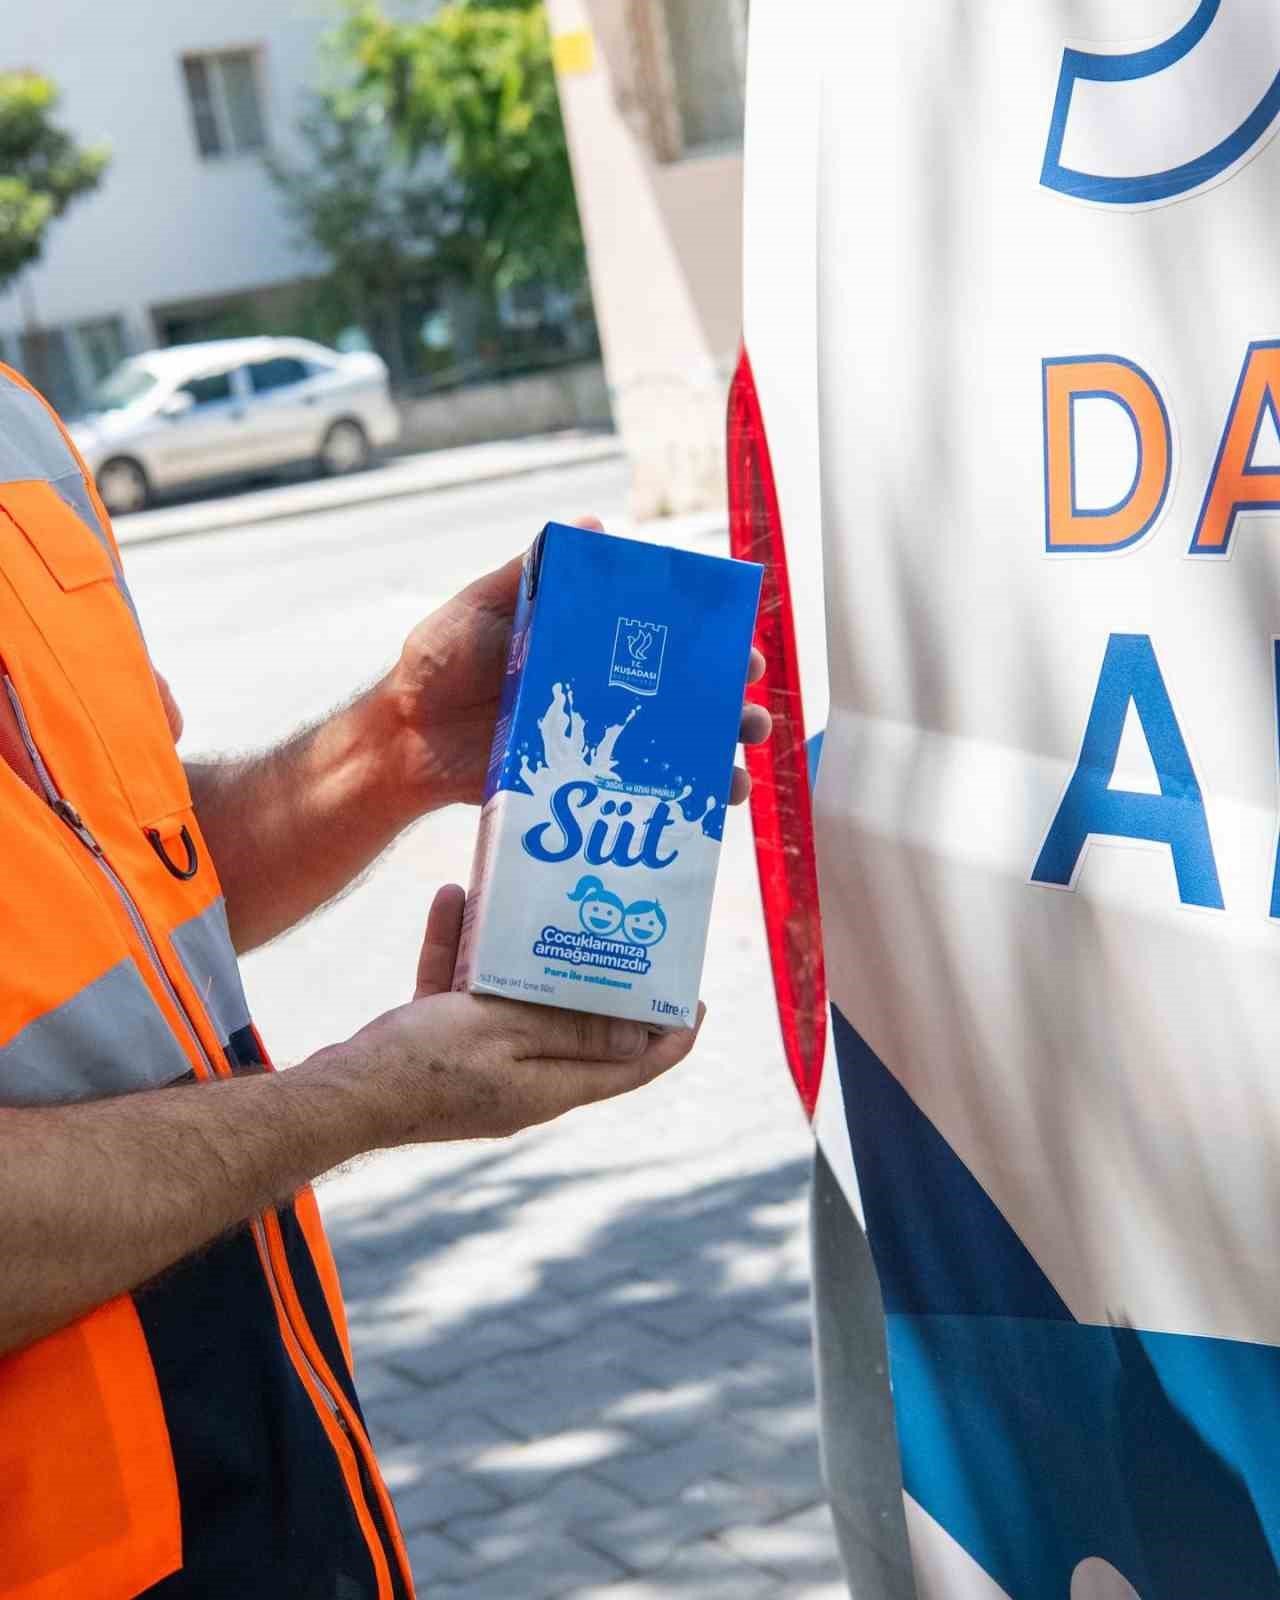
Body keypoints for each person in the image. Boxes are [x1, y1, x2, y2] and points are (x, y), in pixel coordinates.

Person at [0, 360, 770, 1599]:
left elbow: (126, 875)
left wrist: (393, 746)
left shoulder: (16, 425)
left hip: (280, 1500)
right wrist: (359, 1097)